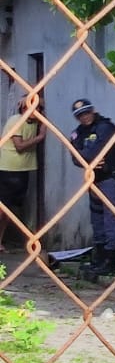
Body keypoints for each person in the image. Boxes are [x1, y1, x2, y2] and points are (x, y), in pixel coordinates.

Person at [67, 98, 115, 279]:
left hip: (111, 178)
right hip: (94, 179)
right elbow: (76, 157)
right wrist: (89, 160)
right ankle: (100, 257)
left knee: (111, 219)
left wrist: (87, 157)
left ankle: (110, 260)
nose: (84, 117)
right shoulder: (78, 132)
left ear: (93, 110)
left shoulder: (106, 127)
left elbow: (94, 152)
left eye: (86, 112)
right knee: (97, 219)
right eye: (80, 115)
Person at [0, 98, 44, 252]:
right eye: (33, 107)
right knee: (3, 209)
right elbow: (19, 146)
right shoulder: (16, 120)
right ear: (24, 108)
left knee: (9, 210)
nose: (37, 111)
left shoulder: (34, 122)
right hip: (8, 168)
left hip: (22, 169)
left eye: (39, 108)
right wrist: (39, 138)